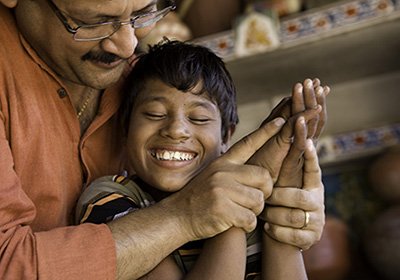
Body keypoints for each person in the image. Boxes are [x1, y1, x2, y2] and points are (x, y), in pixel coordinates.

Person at [0, 0, 328, 279]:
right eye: (94, 22)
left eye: (144, 13)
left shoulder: (138, 75)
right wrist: (199, 214)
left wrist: (286, 209)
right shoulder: (113, 195)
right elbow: (10, 266)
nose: (128, 46)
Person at [75, 40, 326, 279]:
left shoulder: (260, 206)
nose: (176, 130)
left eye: (199, 118)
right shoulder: (110, 196)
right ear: (125, 128)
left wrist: (285, 178)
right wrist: (237, 199)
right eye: (155, 114)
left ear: (226, 135)